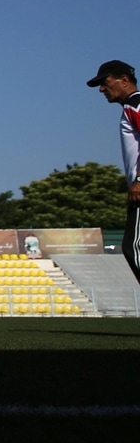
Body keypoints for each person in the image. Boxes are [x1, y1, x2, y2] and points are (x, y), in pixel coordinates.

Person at [90, 59, 140, 285]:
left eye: (105, 82)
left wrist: (139, 179)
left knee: (134, 246)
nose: (102, 89)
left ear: (125, 81)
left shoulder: (135, 104)